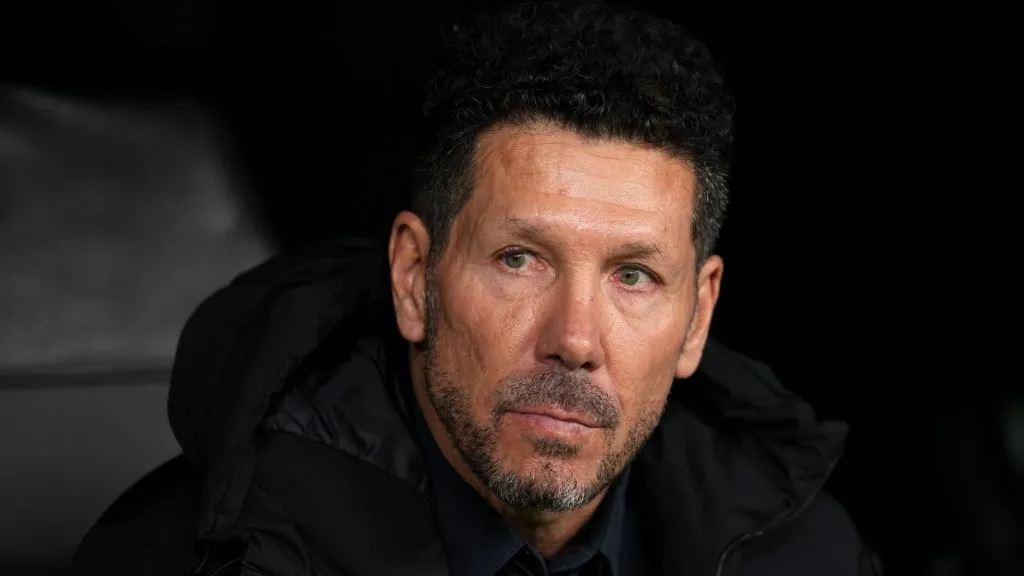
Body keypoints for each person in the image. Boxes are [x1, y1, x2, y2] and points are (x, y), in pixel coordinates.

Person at [75, 1, 881, 574]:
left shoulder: (808, 553)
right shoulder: (183, 556)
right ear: (414, 278)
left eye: (633, 276)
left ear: (697, 316)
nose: (574, 338)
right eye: (520, 259)